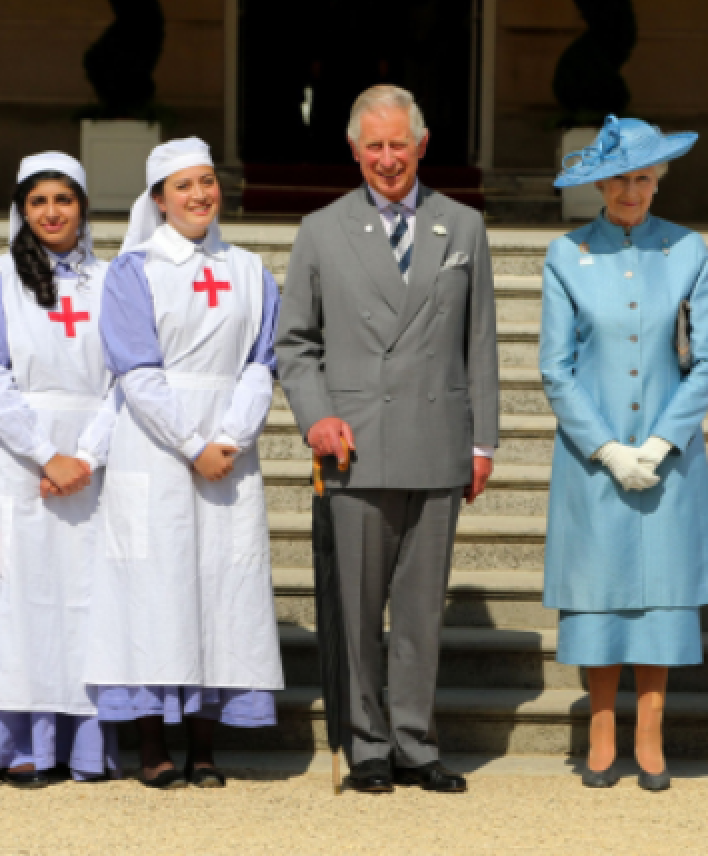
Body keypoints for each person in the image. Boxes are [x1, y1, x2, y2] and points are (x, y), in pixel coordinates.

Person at [276, 85, 499, 794]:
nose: (386, 158)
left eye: (397, 143)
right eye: (373, 146)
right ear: (353, 149)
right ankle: (366, 742)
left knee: (418, 611)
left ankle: (414, 740)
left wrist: (483, 440)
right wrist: (315, 417)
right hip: (357, 446)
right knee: (357, 608)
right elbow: (295, 343)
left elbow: (481, 342)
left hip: (437, 441)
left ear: (422, 144)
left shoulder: (461, 226)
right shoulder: (320, 229)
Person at [83, 138, 284, 790]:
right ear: (159, 200)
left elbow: (262, 362)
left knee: (219, 590)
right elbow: (136, 371)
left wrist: (230, 435)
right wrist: (192, 443)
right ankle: (151, 743)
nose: (200, 195)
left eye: (207, 182)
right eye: (183, 186)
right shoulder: (133, 270)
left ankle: (204, 744)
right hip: (157, 447)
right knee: (155, 591)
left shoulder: (252, 269)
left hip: (230, 451)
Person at [541, 115, 708, 791]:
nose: (632, 190)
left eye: (644, 177)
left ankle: (649, 725)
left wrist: (662, 439)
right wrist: (609, 448)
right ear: (600, 184)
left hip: (668, 453)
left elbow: (705, 360)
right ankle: (601, 723)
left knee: (660, 593)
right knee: (601, 591)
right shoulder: (566, 254)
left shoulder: (687, 249)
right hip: (594, 455)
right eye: (620, 177)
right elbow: (555, 367)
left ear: (657, 182)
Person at [0, 152, 120, 786]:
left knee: (88, 600)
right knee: (22, 599)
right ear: (23, 209)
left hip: (94, 460)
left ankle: (87, 745)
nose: (51, 211)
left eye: (63, 199)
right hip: (19, 457)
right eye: (38, 200)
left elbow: (127, 378)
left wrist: (86, 455)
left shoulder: (112, 282)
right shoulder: (0, 279)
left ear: (82, 206)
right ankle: (22, 742)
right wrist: (47, 455)